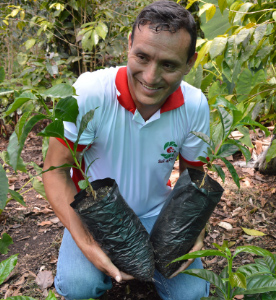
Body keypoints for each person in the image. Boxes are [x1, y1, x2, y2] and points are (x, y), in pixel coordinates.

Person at [42, 1, 210, 299]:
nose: (150, 76)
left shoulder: (194, 105)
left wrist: (196, 230)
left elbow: (193, 177)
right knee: (78, 285)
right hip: (97, 216)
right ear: (129, 44)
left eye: (169, 64)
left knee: (191, 292)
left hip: (159, 214)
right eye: (142, 57)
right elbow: (55, 171)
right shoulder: (91, 93)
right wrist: (87, 244)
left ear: (190, 62)